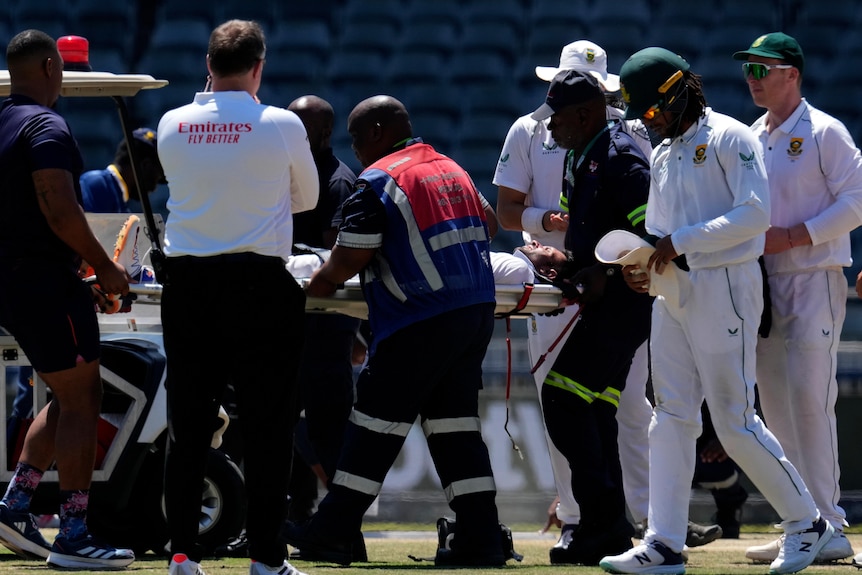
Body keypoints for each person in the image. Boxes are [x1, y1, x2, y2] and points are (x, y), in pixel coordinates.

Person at [599, 47, 832, 575]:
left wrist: (678, 243)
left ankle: (807, 523)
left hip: (727, 284)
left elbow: (755, 215)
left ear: (681, 89)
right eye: (645, 117)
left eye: (657, 111)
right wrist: (643, 267)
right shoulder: (662, 154)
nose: (653, 123)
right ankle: (663, 544)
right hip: (676, 291)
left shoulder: (730, 136)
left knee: (734, 421)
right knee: (671, 416)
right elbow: (657, 234)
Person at [283, 95, 504, 568]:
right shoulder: (452, 167)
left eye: (359, 139)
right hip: (474, 311)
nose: (357, 150)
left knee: (372, 428)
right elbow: (487, 222)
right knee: (455, 428)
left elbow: (347, 260)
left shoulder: (380, 179)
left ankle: (331, 534)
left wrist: (309, 292)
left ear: (379, 131)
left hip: (419, 317)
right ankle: (481, 536)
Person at [156, 19, 318, 575]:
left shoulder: (172, 121)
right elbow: (308, 197)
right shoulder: (281, 122)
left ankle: (181, 552)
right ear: (259, 67)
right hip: (259, 283)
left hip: (189, 284)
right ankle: (266, 559)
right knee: (269, 425)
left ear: (208, 66)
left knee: (189, 423)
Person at [494, 40, 654, 564]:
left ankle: (604, 520)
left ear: (586, 113)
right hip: (599, 302)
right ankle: (605, 528)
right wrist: (561, 260)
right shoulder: (582, 154)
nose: (550, 126)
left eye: (558, 117)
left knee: (564, 400)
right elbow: (585, 237)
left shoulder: (622, 153)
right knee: (596, 410)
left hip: (625, 305)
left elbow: (647, 234)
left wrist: (602, 270)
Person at [0, 29, 135, 569]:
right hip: (42, 284)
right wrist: (102, 267)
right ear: (53, 66)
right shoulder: (46, 124)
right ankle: (74, 536)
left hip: (13, 282)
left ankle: (15, 506)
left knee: (65, 393)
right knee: (84, 398)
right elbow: (57, 207)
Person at [730, 32, 862, 565]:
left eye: (765, 69)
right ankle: (801, 523)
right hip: (761, 282)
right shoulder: (749, 136)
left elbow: (857, 201)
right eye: (750, 70)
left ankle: (830, 523)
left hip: (812, 276)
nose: (754, 78)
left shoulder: (825, 131)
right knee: (777, 409)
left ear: (793, 75)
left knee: (811, 400)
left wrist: (797, 235)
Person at [79, 127, 167, 214]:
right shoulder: (96, 185)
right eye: (157, 177)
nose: (154, 188)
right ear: (145, 166)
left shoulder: (117, 198)